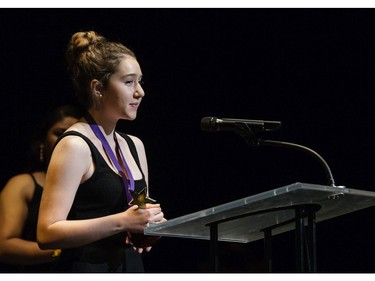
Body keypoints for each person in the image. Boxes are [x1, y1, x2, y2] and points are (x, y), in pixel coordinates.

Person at [37, 31, 165, 273]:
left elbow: (136, 213)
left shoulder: (135, 145)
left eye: (140, 81)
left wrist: (147, 226)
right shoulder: (75, 145)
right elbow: (46, 232)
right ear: (98, 88)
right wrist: (122, 222)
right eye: (129, 82)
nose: (140, 92)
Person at [0, 105, 81, 272]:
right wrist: (62, 252)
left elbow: (143, 222)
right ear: (43, 141)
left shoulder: (97, 184)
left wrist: (149, 232)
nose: (67, 140)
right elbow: (4, 246)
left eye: (74, 134)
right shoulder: (23, 184)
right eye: (59, 133)